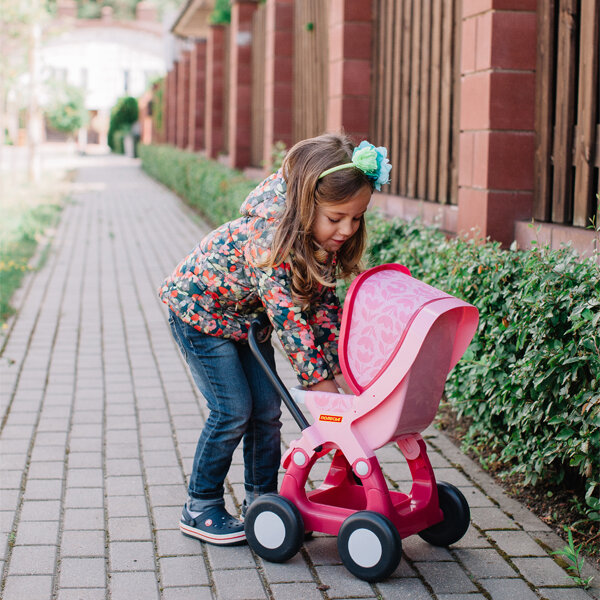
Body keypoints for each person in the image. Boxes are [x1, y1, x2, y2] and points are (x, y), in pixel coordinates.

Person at [158, 133, 391, 545]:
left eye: (356, 218)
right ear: (306, 204)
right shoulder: (269, 238)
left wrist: (347, 374)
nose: (346, 229)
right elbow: (291, 325)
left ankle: (264, 503)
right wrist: (328, 396)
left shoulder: (321, 240)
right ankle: (201, 504)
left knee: (267, 410)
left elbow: (322, 311)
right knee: (234, 409)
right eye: (336, 218)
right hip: (199, 313)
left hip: (246, 323)